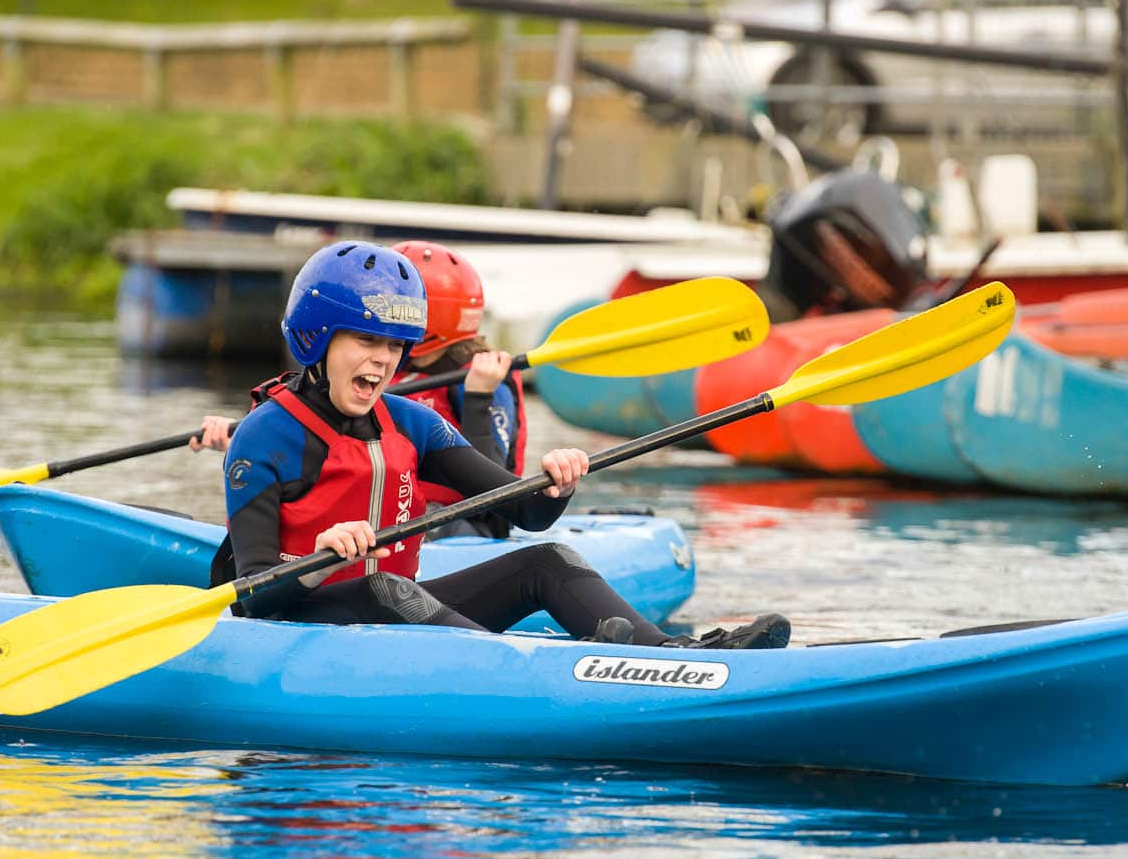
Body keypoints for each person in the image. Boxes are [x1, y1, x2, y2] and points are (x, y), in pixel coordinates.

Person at [203, 241, 789, 648]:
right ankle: (534, 674)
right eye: (363, 339)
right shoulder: (264, 437)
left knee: (547, 562)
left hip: (396, 606)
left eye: (394, 344)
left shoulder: (411, 423)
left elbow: (523, 513)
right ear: (318, 338)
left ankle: (670, 656)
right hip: (300, 622)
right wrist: (317, 557)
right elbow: (253, 596)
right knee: (388, 587)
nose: (382, 360)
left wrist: (557, 481)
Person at [386, 240, 524, 540]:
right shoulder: (389, 368)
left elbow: (491, 495)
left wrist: (478, 397)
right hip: (396, 515)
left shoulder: (485, 379)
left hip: (465, 526)